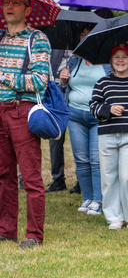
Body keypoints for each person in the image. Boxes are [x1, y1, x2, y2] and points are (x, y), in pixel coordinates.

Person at [0, 0, 51, 248]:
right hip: (0, 111)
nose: (9, 6)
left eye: (15, 3)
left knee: (30, 177)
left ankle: (34, 235)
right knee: (3, 175)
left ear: (28, 10)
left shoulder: (37, 39)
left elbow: (40, 81)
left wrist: (5, 76)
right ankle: (6, 230)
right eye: (6, 2)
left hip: (22, 109)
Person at [89, 45, 128, 230]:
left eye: (125, 57)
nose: (120, 60)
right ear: (111, 61)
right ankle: (114, 217)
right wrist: (108, 109)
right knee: (109, 177)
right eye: (116, 57)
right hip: (107, 135)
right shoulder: (103, 83)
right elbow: (93, 106)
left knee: (127, 177)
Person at [59, 26, 110, 217]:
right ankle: (87, 198)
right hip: (75, 116)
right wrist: (63, 81)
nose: (85, 37)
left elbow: (113, 86)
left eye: (89, 35)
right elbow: (65, 89)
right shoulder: (74, 61)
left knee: (96, 160)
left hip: (98, 117)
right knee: (81, 160)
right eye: (82, 35)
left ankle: (98, 200)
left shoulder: (106, 62)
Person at [46, 46, 72, 193]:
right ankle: (58, 179)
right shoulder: (56, 44)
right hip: (57, 91)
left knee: (78, 139)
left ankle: (82, 179)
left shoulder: (86, 50)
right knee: (55, 137)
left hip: (77, 91)